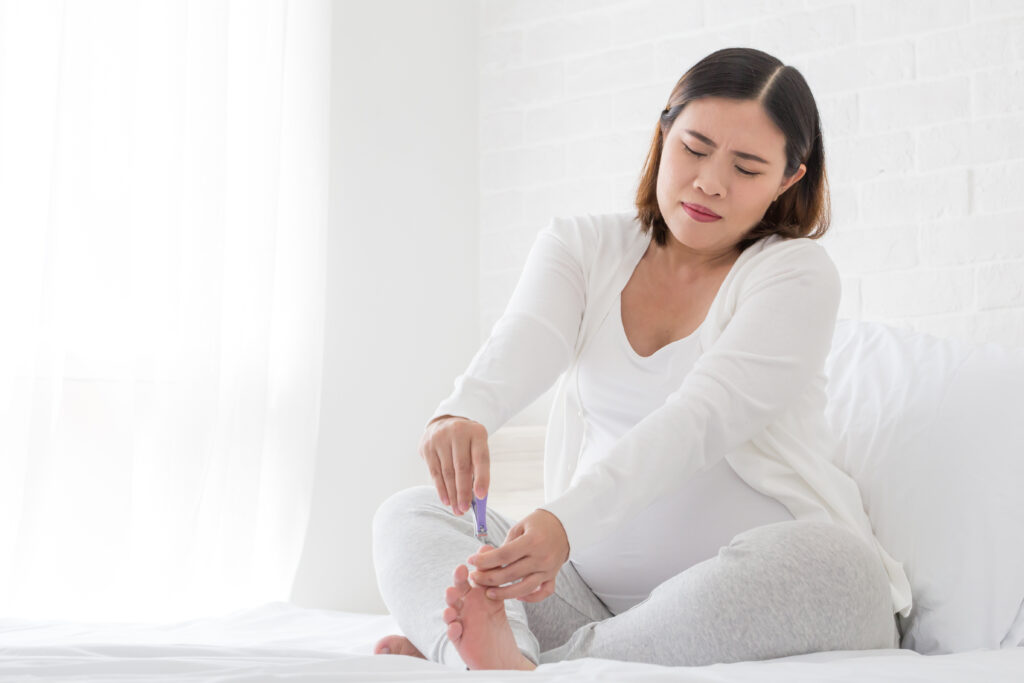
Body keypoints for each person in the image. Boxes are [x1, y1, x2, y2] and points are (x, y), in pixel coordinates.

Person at [371, 47, 912, 671]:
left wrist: (564, 521)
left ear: (788, 179)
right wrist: (462, 412)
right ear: (664, 131)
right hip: (589, 601)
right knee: (410, 513)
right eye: (695, 148)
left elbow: (700, 419)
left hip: (775, 596)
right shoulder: (581, 246)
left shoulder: (795, 274)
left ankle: (517, 661)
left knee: (835, 563)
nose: (710, 181)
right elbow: (528, 338)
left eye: (746, 167)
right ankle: (511, 655)